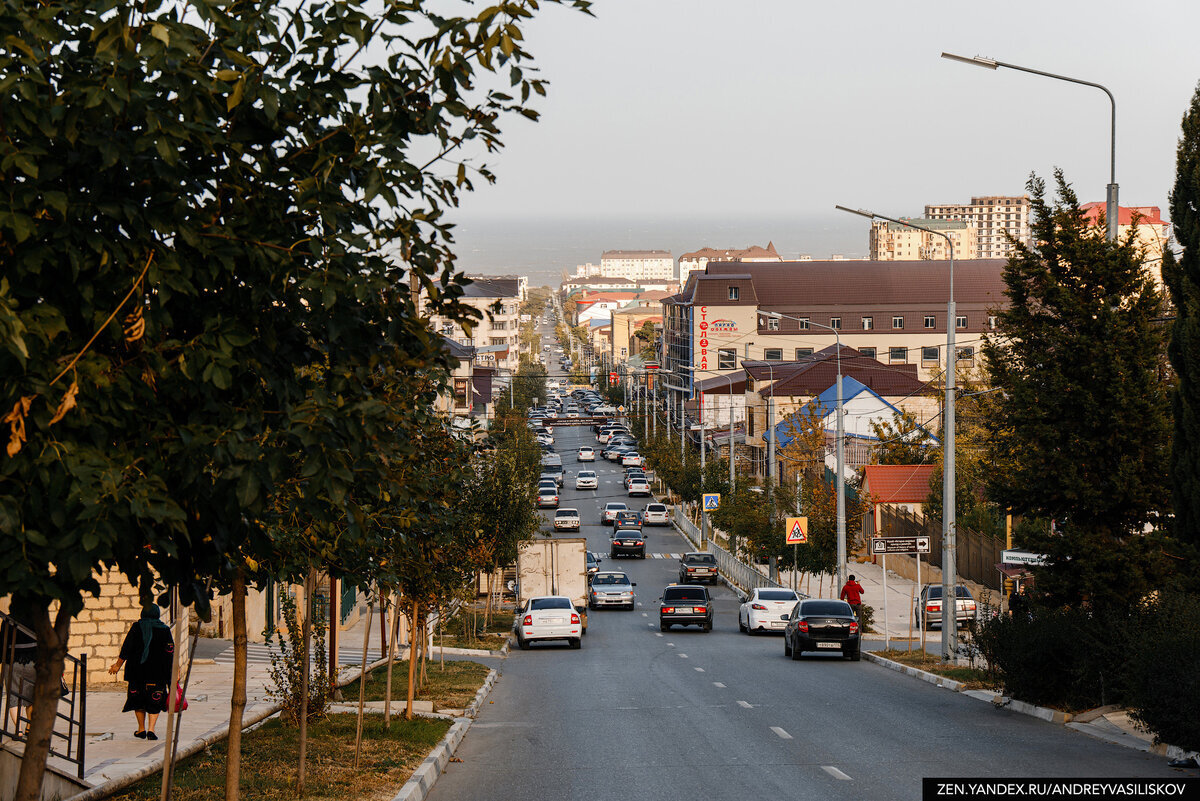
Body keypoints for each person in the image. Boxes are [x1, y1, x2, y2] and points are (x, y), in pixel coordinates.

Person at [109, 605, 175, 740]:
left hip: (137, 672)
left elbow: (126, 649)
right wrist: (175, 670)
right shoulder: (164, 630)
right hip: (158, 673)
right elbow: (170, 652)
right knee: (155, 698)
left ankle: (141, 729)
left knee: (138, 699)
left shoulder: (136, 628)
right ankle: (151, 729)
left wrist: (117, 666)